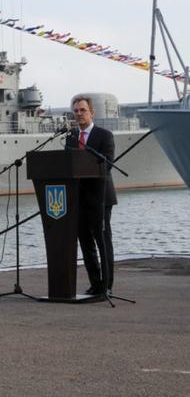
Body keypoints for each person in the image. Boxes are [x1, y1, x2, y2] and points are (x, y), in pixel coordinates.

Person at [67, 95, 117, 296]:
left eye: (83, 110)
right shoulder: (71, 137)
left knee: (102, 241)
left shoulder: (104, 135)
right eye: (76, 111)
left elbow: (108, 164)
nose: (79, 114)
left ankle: (107, 286)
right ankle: (95, 283)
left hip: (100, 197)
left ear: (92, 113)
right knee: (86, 242)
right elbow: (67, 165)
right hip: (78, 198)